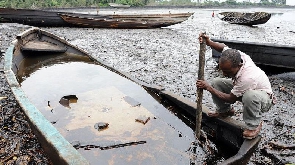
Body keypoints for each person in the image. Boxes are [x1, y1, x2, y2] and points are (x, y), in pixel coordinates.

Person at [196, 33, 275, 139]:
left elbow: (230, 99)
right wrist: (209, 42)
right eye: (222, 70)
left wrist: (208, 88)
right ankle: (225, 111)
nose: (224, 74)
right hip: (245, 89)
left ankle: (254, 126)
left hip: (263, 98)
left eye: (227, 71)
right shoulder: (237, 56)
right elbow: (223, 48)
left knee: (249, 96)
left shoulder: (247, 78)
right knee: (216, 82)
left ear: (239, 65)